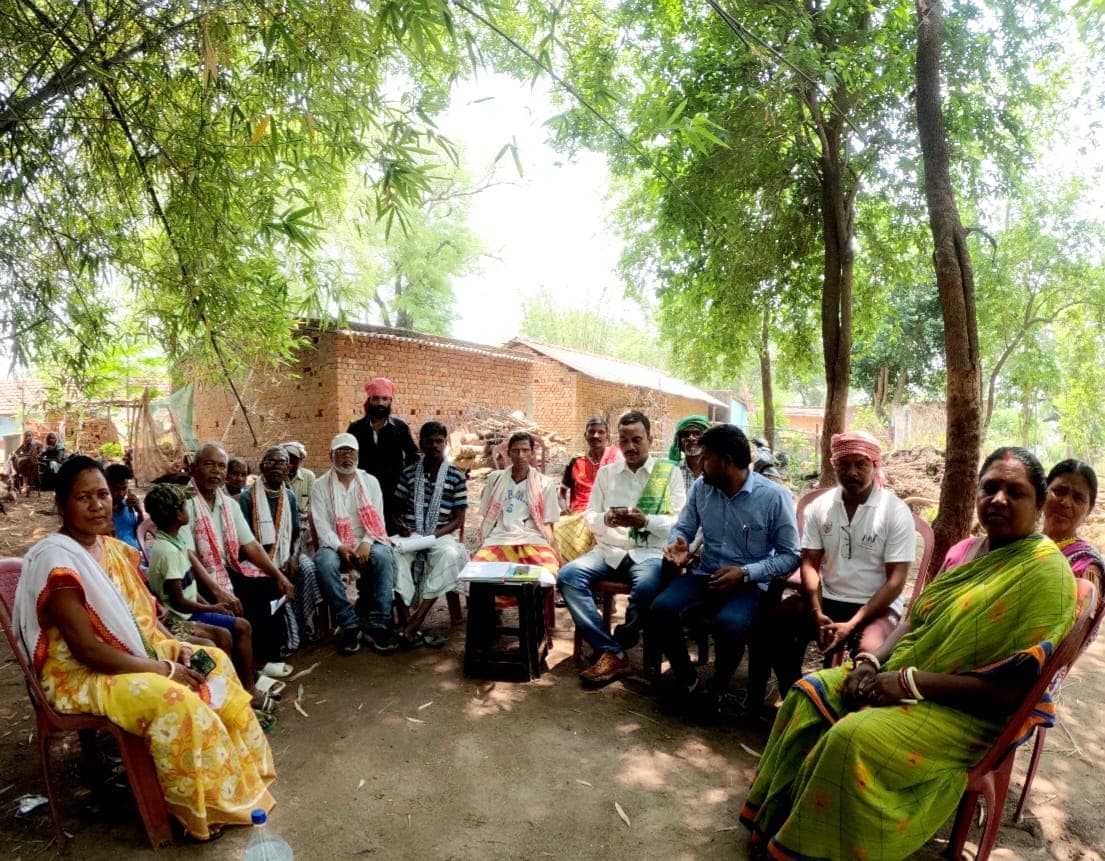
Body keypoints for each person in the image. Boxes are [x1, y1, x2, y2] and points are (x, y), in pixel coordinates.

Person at [740, 447, 1079, 860]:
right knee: (810, 690)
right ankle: (776, 821)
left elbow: (1010, 690)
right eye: (989, 488)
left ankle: (811, 851)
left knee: (852, 739)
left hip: (967, 713)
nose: (999, 500)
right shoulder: (973, 550)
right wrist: (872, 661)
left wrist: (906, 683)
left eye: (1016, 491)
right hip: (909, 674)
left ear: (1039, 504)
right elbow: (915, 621)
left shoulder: (1046, 572)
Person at [13, 457, 275, 841]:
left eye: (102, 494)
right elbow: (88, 651)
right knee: (172, 698)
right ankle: (189, 813)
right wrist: (164, 670)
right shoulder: (59, 563)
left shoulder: (114, 551)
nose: (97, 505)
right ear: (61, 505)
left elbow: (141, 626)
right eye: (82, 497)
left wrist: (174, 649)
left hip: (128, 658)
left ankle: (236, 781)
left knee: (213, 660)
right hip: (81, 676)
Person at [755, 431, 915, 708]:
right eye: (844, 464)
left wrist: (852, 624)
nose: (852, 472)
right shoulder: (821, 506)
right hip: (829, 600)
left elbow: (895, 583)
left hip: (875, 605)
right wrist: (816, 611)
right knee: (774, 625)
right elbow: (809, 563)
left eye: (860, 464)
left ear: (875, 466)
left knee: (871, 654)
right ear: (834, 466)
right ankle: (797, 699)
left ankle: (845, 718)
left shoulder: (894, 511)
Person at [651, 424, 799, 714]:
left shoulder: (773, 497)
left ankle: (716, 687)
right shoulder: (702, 488)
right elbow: (684, 526)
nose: (700, 463)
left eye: (706, 457)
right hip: (706, 574)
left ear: (726, 460)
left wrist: (745, 573)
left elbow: (790, 555)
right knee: (660, 610)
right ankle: (688, 679)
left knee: (729, 625)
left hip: (749, 585)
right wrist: (678, 544)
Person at [557, 411, 686, 687]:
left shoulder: (668, 473)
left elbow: (680, 522)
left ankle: (622, 638)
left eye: (637, 439)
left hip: (649, 552)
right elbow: (589, 516)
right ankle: (612, 651)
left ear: (650, 439)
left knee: (649, 586)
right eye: (624, 440)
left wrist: (646, 520)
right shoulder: (607, 473)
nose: (630, 447)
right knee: (568, 576)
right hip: (609, 549)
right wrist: (605, 519)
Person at [144, 482, 271, 715]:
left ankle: (237, 688)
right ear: (176, 514)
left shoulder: (174, 540)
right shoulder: (168, 552)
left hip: (190, 609)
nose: (188, 510)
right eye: (184, 506)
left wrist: (210, 605)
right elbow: (178, 601)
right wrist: (212, 607)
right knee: (240, 628)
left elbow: (189, 587)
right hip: (178, 617)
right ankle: (243, 690)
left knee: (230, 628)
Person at [183, 443, 295, 679]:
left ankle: (262, 658)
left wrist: (278, 575)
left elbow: (250, 544)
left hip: (227, 569)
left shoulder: (228, 504)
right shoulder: (185, 503)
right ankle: (246, 670)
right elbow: (188, 554)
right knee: (229, 602)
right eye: (209, 464)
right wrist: (218, 590)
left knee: (271, 586)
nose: (216, 471)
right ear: (193, 469)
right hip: (196, 577)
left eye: (221, 466)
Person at [310, 433, 400, 656]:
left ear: (358, 455)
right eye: (340, 451)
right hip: (335, 544)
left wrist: (367, 543)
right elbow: (321, 526)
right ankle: (349, 624)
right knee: (323, 561)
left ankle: (379, 624)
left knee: (384, 556)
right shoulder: (320, 485)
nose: (346, 457)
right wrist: (340, 547)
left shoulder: (370, 481)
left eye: (350, 451)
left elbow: (377, 520)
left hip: (368, 539)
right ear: (331, 456)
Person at [390, 421, 468, 648]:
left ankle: (416, 621)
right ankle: (406, 620)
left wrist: (434, 536)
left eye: (439, 441)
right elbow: (395, 509)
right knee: (392, 556)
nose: (434, 446)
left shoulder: (455, 475)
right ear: (421, 444)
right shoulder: (409, 473)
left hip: (440, 533)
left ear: (445, 444)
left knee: (450, 555)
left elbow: (458, 519)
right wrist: (401, 525)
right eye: (429, 441)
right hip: (411, 535)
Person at [240, 446, 324, 649]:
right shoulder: (246, 497)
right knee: (265, 581)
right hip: (256, 558)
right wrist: (271, 566)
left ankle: (304, 626)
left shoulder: (289, 496)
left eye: (282, 463)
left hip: (287, 553)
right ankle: (279, 637)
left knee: (308, 569)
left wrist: (294, 557)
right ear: (262, 467)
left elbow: (296, 533)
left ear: (288, 469)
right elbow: (244, 542)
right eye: (272, 462)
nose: (277, 467)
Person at [473, 432, 561, 572]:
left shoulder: (544, 483)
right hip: (500, 539)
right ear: (508, 453)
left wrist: (554, 550)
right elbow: (487, 517)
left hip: (533, 540)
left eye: (525, 450)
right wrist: (481, 543)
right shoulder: (495, 479)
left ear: (532, 453)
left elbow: (547, 523)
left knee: (548, 572)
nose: (520, 455)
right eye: (516, 450)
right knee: (478, 573)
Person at [346, 377, 419, 526]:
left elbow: (413, 456)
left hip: (394, 493)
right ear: (369, 400)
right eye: (376, 399)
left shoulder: (400, 427)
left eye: (385, 399)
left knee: (392, 532)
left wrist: (405, 483)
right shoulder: (355, 428)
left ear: (390, 401)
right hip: (363, 491)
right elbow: (348, 457)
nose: (380, 403)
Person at [1041, 459, 1103, 601]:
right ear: (1044, 492)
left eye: (1078, 498)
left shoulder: (1086, 566)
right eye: (1059, 491)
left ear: (1089, 509)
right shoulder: (1021, 544)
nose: (1066, 502)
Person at [559, 418, 621, 514]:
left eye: (601, 432)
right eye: (591, 432)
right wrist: (564, 507)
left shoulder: (616, 458)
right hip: (579, 515)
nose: (596, 436)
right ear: (585, 435)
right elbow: (561, 493)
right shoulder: (576, 461)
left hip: (606, 516)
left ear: (607, 436)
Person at [106, 463, 146, 555]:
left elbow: (140, 536)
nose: (121, 493)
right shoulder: (102, 513)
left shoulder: (128, 505)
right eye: (116, 489)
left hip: (137, 553)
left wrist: (139, 512)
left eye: (124, 488)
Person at [282, 440, 316, 545]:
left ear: (301, 461)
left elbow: (314, 503)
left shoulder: (309, 476)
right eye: (287, 461)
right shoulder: (279, 477)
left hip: (304, 523)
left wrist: (307, 515)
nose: (290, 466)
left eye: (294, 462)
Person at [669, 415, 709, 489]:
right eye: (686, 434)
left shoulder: (715, 472)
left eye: (697, 433)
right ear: (679, 441)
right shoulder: (672, 471)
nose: (691, 438)